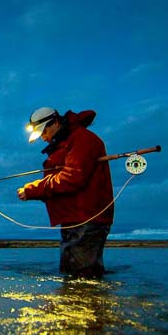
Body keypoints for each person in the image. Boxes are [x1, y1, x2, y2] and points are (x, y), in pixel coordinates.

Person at [17, 107, 114, 276]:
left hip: (86, 218)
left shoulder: (83, 139)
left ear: (55, 122)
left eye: (44, 131)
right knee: (74, 277)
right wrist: (35, 191)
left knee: (81, 278)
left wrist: (33, 190)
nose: (43, 137)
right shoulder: (66, 142)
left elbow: (72, 178)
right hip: (75, 219)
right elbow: (63, 181)